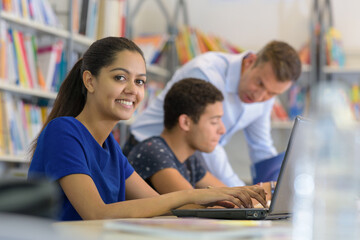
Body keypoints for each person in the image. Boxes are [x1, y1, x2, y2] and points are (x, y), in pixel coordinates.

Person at [27, 37, 267, 221]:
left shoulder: (110, 147)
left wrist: (226, 203)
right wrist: (195, 194)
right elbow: (96, 213)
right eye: (120, 77)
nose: (133, 89)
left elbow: (162, 205)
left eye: (140, 81)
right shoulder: (63, 131)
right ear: (90, 81)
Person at [124, 40, 302, 186]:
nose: (261, 96)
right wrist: (242, 192)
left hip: (188, 159)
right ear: (250, 62)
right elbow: (208, 145)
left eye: (272, 94)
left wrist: (275, 190)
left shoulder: (264, 96)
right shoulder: (206, 72)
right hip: (150, 150)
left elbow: (262, 148)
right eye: (260, 83)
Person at [128, 78, 228, 193]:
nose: (222, 130)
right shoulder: (153, 152)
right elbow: (191, 206)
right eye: (214, 122)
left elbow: (228, 195)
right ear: (185, 122)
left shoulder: (190, 159)